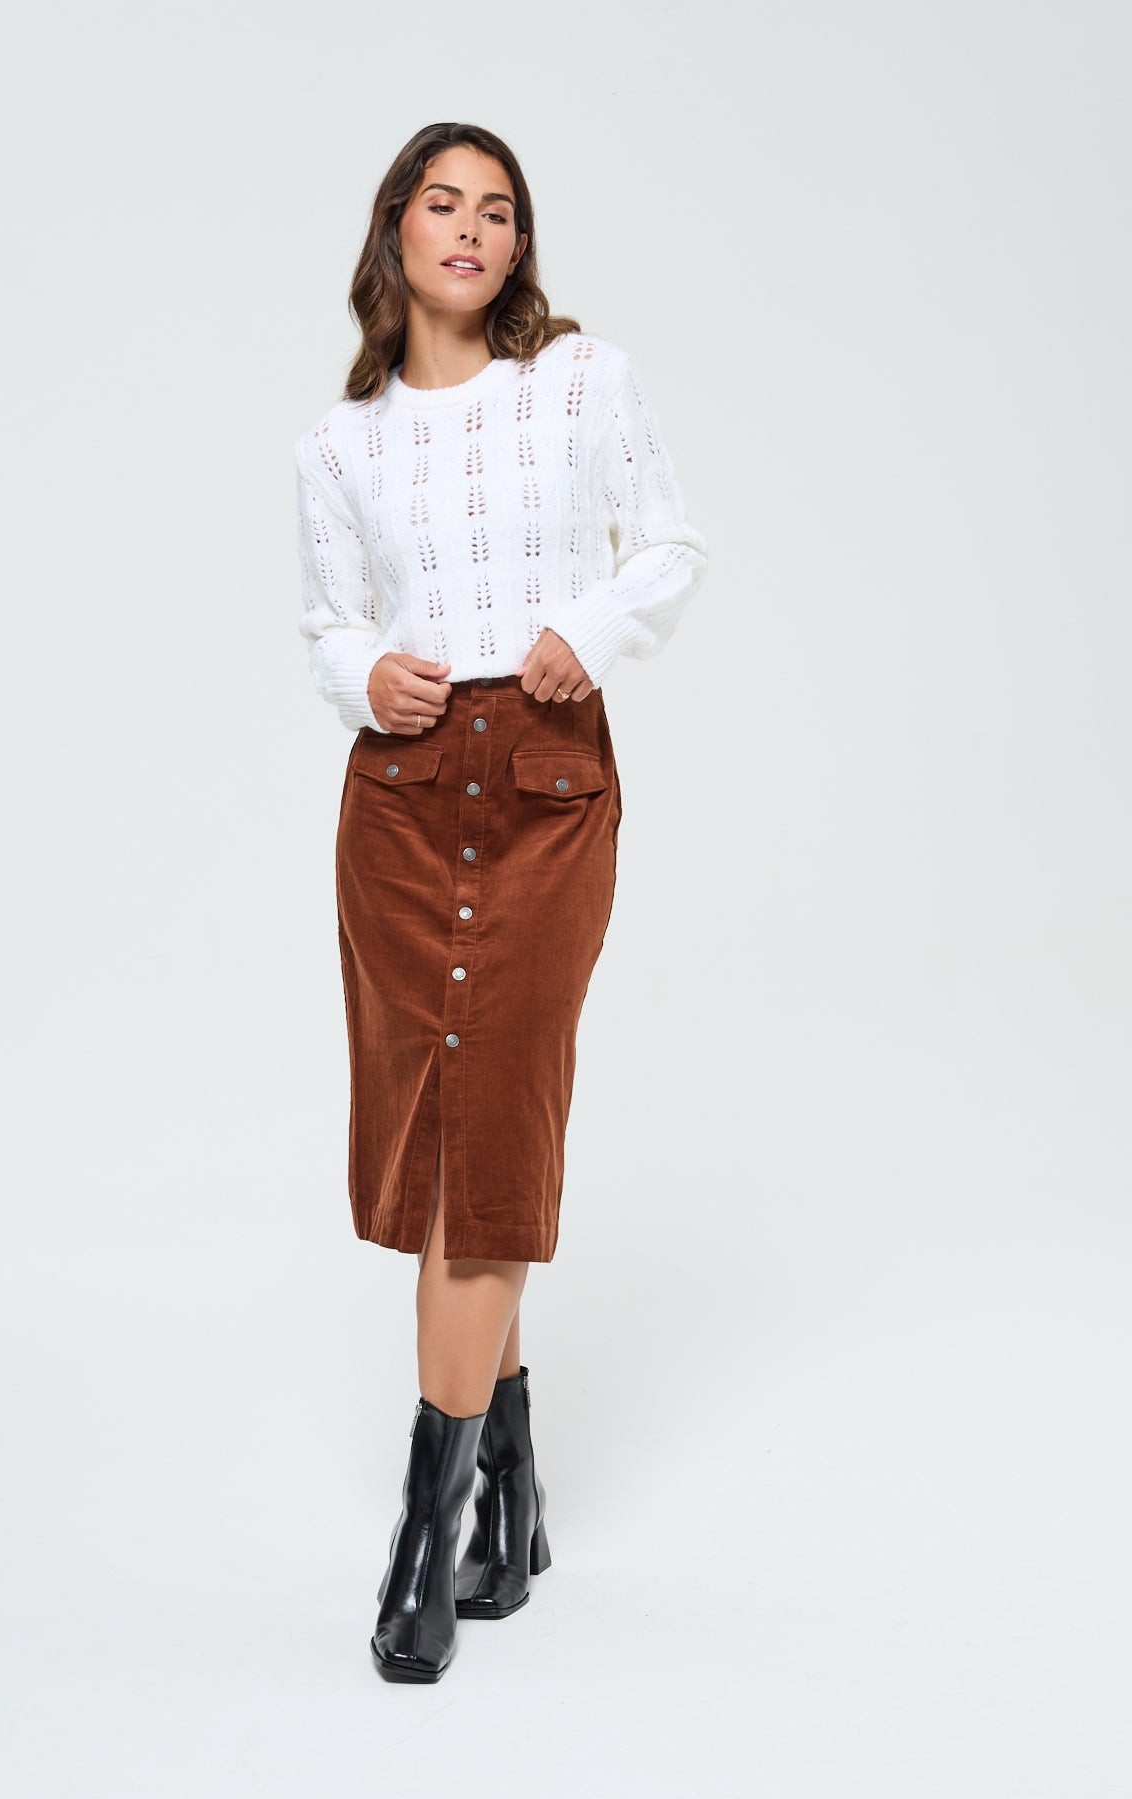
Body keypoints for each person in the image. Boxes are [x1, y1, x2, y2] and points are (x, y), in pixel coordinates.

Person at [293, 121, 708, 1682]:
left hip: (542, 784)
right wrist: (367, 674)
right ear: (395, 228)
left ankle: (429, 1531)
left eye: (500, 212)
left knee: (494, 1125)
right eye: (443, 204)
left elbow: (670, 545)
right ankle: (513, 1497)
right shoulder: (337, 444)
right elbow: (328, 628)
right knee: (444, 1142)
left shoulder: (583, 380)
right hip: (401, 804)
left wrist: (586, 633)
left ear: (520, 246)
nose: (471, 230)